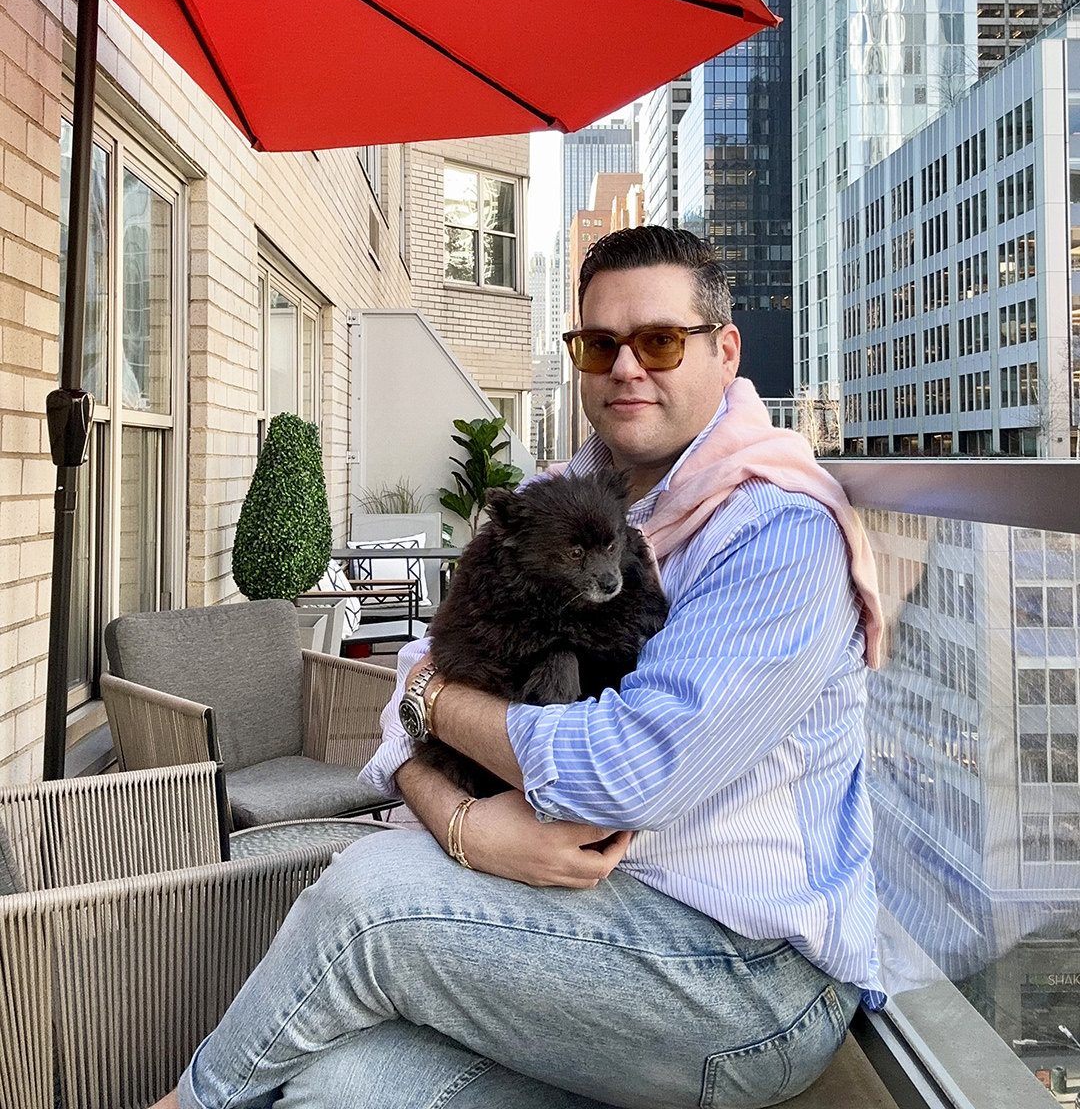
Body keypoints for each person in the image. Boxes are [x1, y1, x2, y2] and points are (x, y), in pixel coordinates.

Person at [162, 226, 884, 1109]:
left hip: (745, 978)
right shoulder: (561, 504)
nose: (626, 367)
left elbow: (624, 774)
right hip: (579, 927)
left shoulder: (779, 535)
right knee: (336, 1088)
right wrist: (463, 818)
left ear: (724, 351)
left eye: (658, 340)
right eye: (597, 344)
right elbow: (408, 701)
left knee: (368, 898)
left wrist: (434, 711)